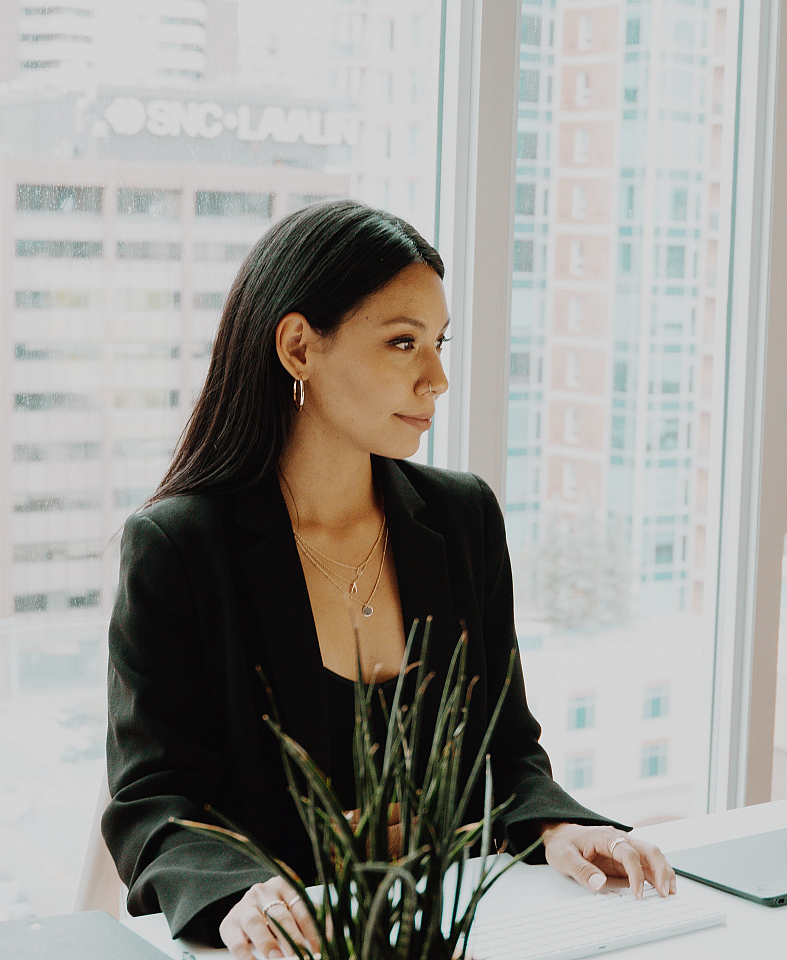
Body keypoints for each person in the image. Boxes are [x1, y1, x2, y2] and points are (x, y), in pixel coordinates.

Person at [103, 199, 676, 959]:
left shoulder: (462, 517)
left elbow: (506, 746)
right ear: (299, 346)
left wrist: (555, 826)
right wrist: (238, 892)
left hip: (455, 931)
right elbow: (154, 796)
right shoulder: (180, 547)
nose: (436, 378)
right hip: (293, 946)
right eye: (403, 343)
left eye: (438, 344)